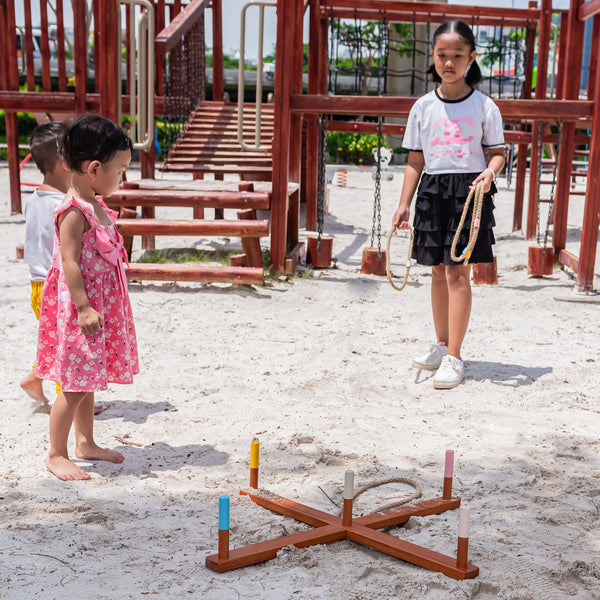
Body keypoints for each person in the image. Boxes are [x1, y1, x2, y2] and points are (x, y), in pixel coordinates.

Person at [392, 20, 505, 390]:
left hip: (469, 192)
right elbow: (415, 161)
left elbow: (499, 153)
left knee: (458, 273)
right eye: (442, 55)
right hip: (432, 191)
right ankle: (441, 346)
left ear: (472, 58)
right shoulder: (422, 107)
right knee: (437, 272)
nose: (449, 62)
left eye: (458, 55)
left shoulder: (485, 106)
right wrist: (404, 204)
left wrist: (489, 173)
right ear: (433, 57)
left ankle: (455, 356)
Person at [36, 114, 138, 480]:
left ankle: (85, 442)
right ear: (94, 168)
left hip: (101, 306)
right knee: (76, 383)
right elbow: (68, 262)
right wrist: (83, 307)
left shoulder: (94, 202)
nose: (122, 178)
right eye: (120, 170)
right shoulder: (74, 211)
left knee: (90, 378)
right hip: (83, 309)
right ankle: (56, 453)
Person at [20, 122, 70, 404]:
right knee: (67, 346)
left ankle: (35, 378)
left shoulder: (35, 199)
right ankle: (71, 402)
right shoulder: (61, 205)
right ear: (65, 162)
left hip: (37, 285)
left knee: (55, 339)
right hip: (56, 286)